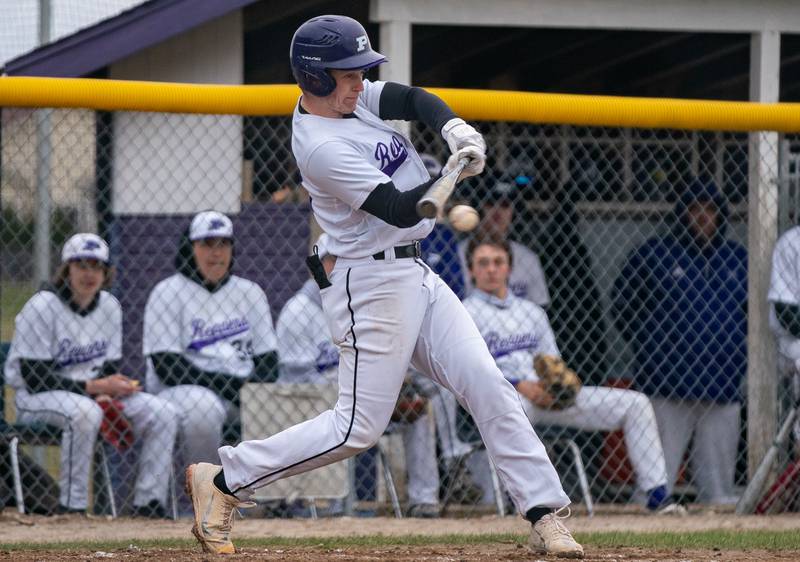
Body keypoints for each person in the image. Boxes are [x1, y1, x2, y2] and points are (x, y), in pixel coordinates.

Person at [186, 15, 582, 558]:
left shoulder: (351, 98)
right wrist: (451, 174)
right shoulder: (321, 146)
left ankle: (544, 514)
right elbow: (399, 208)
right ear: (315, 78)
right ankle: (226, 480)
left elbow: (413, 98)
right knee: (356, 429)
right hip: (367, 282)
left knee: (487, 382)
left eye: (360, 71)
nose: (359, 82)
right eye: (347, 74)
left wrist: (453, 128)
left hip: (414, 272)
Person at [462, 236, 680, 513]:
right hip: (503, 401)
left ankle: (657, 494)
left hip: (544, 398)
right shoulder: (465, 313)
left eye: (498, 262)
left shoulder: (532, 312)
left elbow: (552, 362)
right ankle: (519, 500)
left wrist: (556, 388)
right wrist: (519, 385)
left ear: (509, 268)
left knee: (635, 404)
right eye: (483, 263)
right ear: (471, 270)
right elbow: (472, 371)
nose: (491, 269)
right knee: (514, 410)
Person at [4, 233, 178, 517]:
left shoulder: (109, 306)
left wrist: (111, 388)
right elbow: (35, 377)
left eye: (97, 266)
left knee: (163, 413)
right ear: (66, 269)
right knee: (85, 413)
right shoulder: (42, 306)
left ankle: (149, 505)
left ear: (106, 271)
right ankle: (71, 507)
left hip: (89, 395)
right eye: (81, 265)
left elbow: (108, 366)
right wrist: (97, 386)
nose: (89, 273)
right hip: (36, 399)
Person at [276, 236, 442, 517]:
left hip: (369, 393)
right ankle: (332, 503)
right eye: (332, 260)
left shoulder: (367, 300)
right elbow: (297, 381)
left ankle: (424, 501)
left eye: (344, 259)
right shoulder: (297, 311)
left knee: (420, 410)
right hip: (320, 402)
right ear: (319, 264)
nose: (338, 266)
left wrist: (401, 382)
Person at [612, 178, 747, 505]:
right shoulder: (654, 254)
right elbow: (622, 308)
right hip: (667, 385)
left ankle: (718, 541)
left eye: (710, 210)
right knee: (657, 480)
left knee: (718, 490)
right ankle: (644, 531)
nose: (703, 217)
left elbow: (750, 316)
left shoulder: (737, 258)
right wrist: (655, 348)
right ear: (682, 214)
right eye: (695, 209)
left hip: (723, 383)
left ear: (721, 215)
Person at [143, 210, 279, 467]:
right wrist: (233, 388)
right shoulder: (167, 292)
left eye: (223, 244)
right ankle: (208, 490)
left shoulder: (250, 292)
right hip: (184, 391)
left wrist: (250, 391)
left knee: (276, 404)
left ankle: (269, 499)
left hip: (241, 390)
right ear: (189, 247)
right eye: (207, 244)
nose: (216, 253)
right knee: (204, 409)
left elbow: (269, 361)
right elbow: (168, 367)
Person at [458, 173, 550, 306]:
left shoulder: (528, 259)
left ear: (513, 212)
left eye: (505, 205)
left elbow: (540, 307)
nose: (497, 211)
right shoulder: (457, 254)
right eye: (490, 203)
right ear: (478, 208)